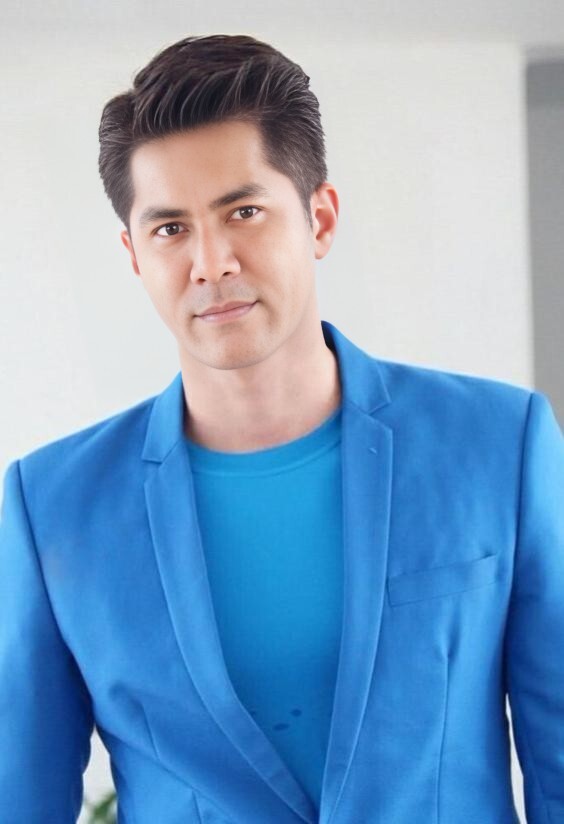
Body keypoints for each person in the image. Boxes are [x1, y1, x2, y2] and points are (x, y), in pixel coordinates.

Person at [0, 33, 562, 824]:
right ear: (133, 255)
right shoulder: (52, 506)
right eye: (170, 229)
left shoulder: (500, 444)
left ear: (319, 219)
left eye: (245, 212)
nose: (211, 262)